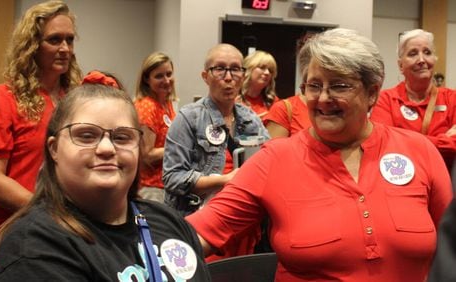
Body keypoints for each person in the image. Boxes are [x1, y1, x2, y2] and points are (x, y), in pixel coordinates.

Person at [186, 28, 453, 281]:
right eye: (313, 86)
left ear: (372, 92)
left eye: (339, 86)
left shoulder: (419, 151)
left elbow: (451, 244)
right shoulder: (275, 159)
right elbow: (198, 233)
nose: (323, 98)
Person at [0, 84, 210, 281]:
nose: (107, 149)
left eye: (122, 137)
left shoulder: (166, 219)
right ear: (54, 149)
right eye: (86, 136)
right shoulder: (33, 250)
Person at [0, 1, 82, 279]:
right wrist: (56, 215)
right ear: (32, 45)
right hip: (9, 242)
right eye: (54, 40)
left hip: (66, 241)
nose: (65, 48)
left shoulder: (77, 99)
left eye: (69, 40)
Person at [163, 43, 269, 260]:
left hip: (245, 229)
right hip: (200, 226)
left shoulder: (251, 120)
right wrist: (225, 180)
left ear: (243, 75)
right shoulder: (188, 118)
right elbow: (172, 178)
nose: (228, 77)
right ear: (205, 76)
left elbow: (270, 165)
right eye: (219, 69)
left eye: (235, 69)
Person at [370, 29, 456, 171]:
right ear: (400, 65)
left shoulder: (452, 99)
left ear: (434, 60)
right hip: (401, 180)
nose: (421, 60)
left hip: (446, 182)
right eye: (413, 53)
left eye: (427, 52)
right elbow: (384, 144)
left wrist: (403, 140)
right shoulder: (386, 100)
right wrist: (443, 140)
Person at [134, 52, 177, 203]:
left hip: (166, 184)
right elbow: (147, 154)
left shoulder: (166, 104)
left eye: (169, 74)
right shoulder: (147, 106)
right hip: (151, 187)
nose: (166, 80)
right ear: (147, 79)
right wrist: (181, 148)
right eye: (159, 76)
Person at [236, 50, 278, 119]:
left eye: (270, 70)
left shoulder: (274, 102)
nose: (267, 73)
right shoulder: (231, 98)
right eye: (262, 68)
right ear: (249, 69)